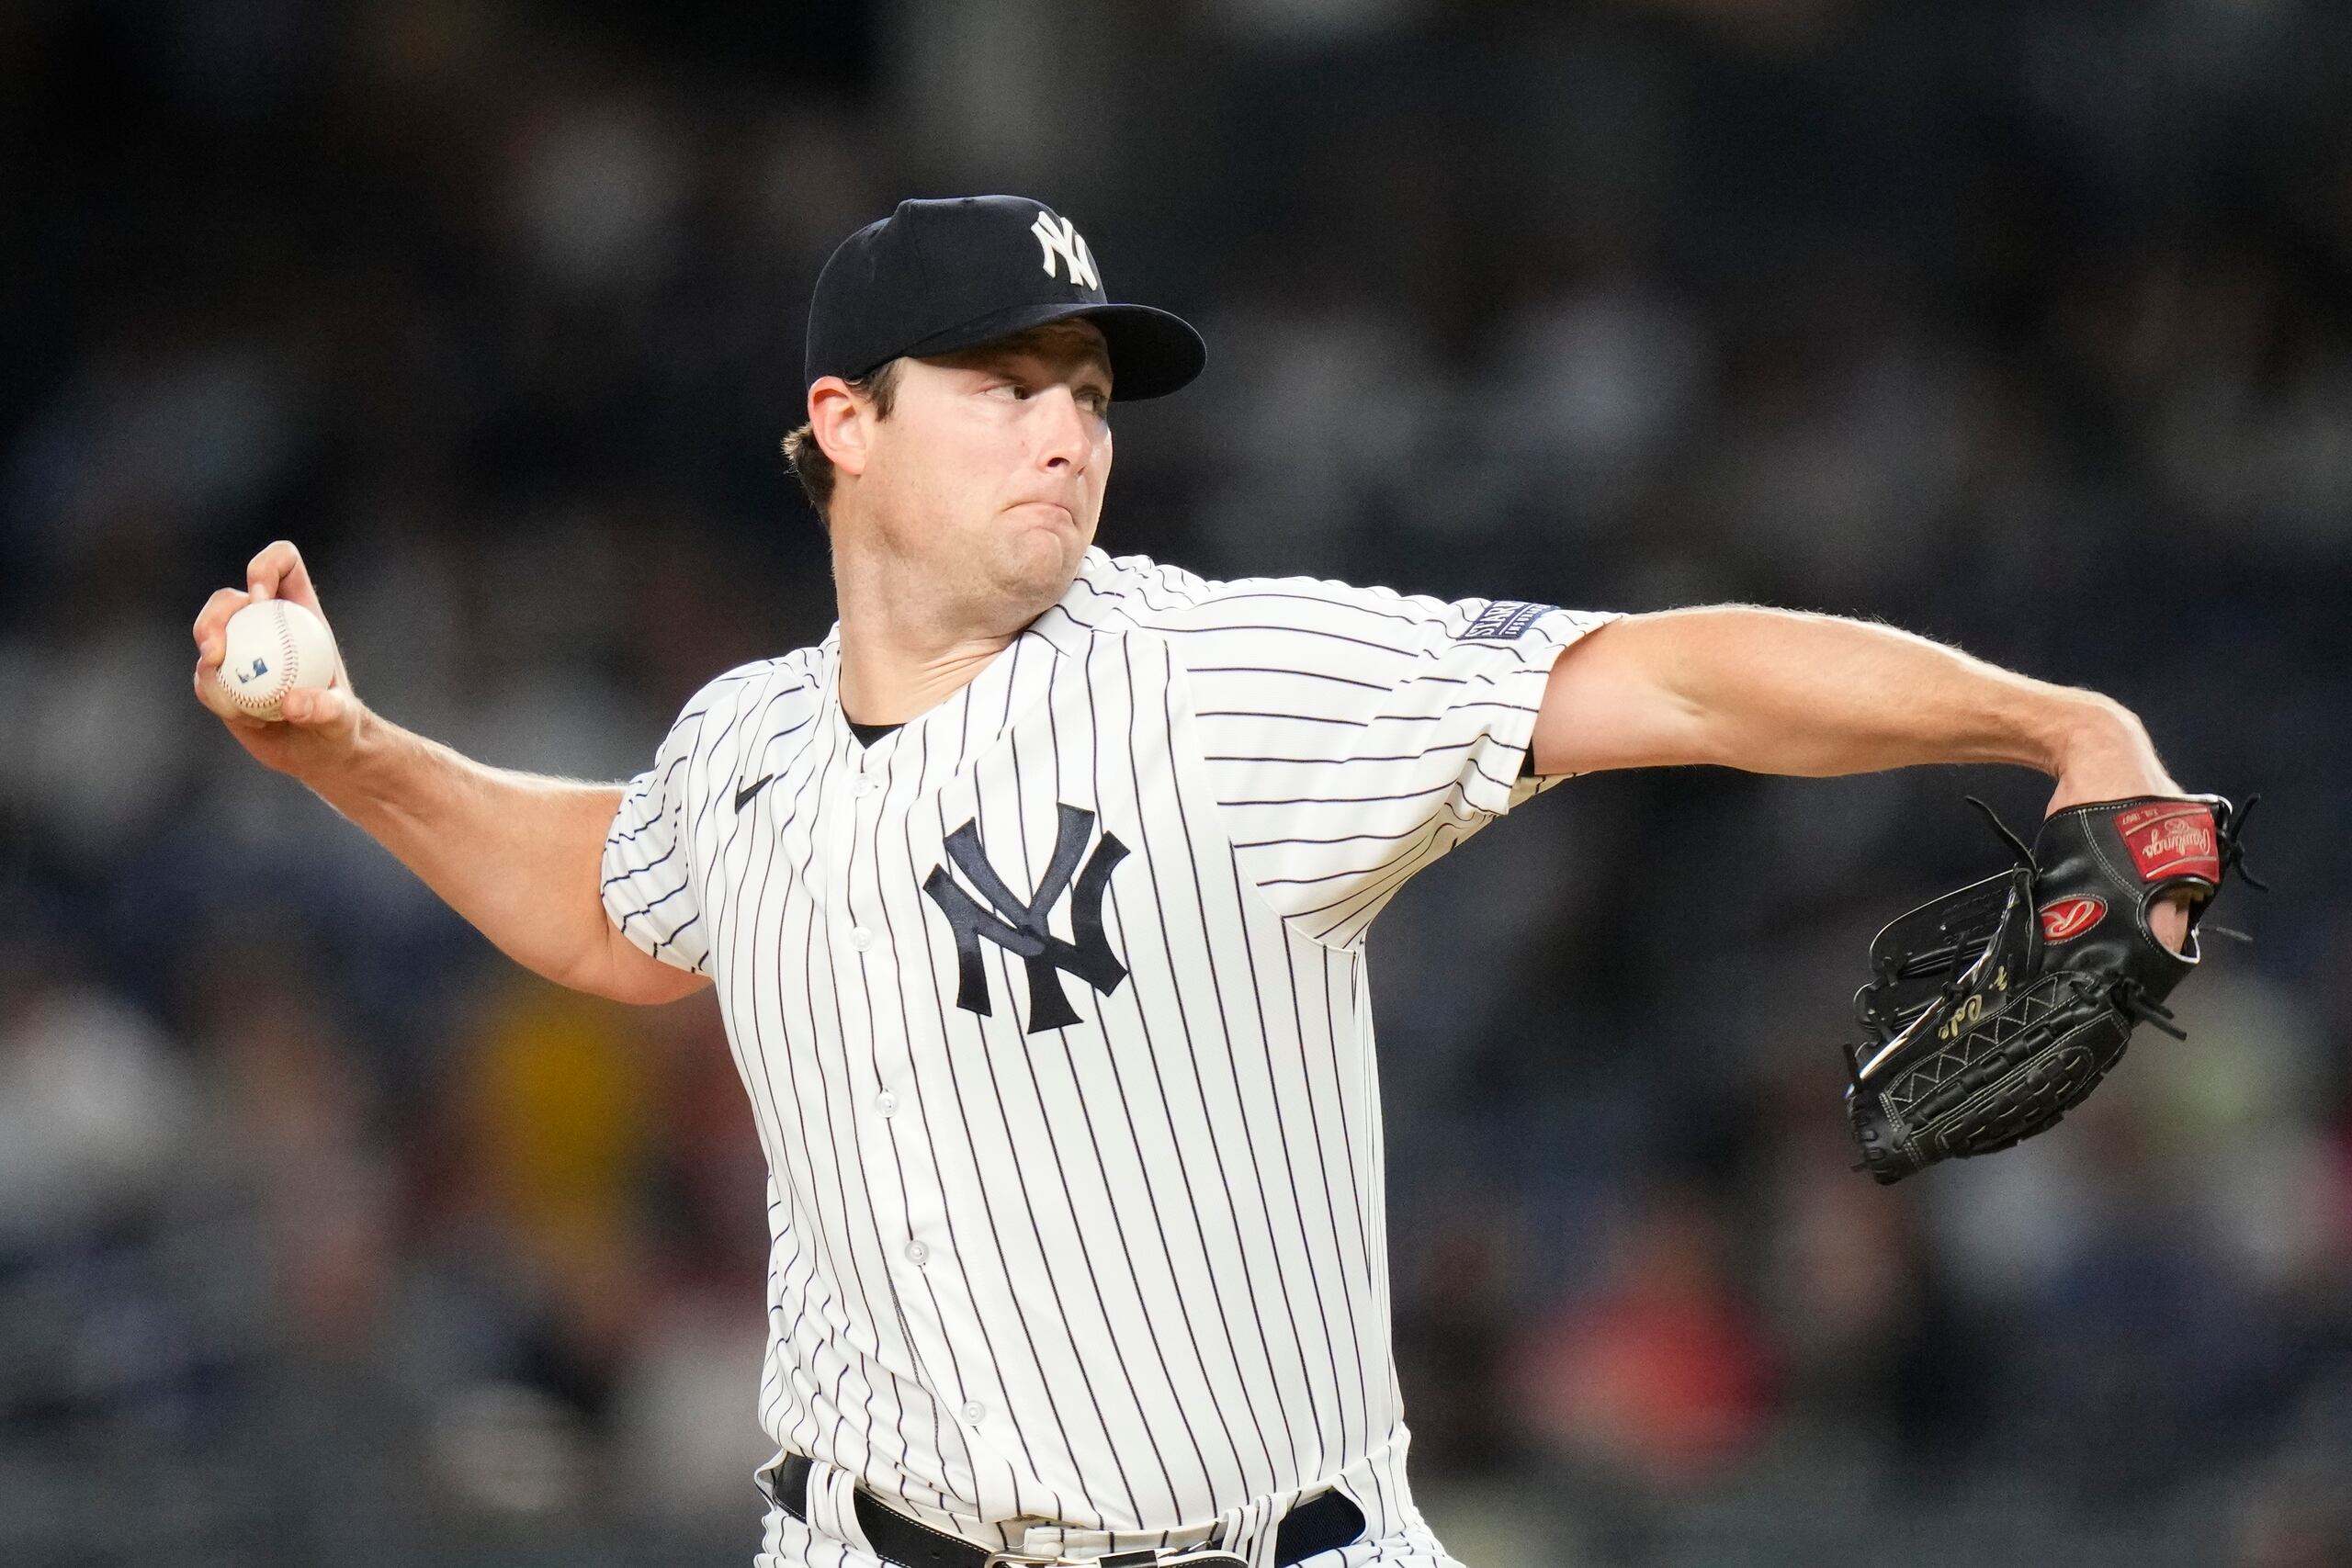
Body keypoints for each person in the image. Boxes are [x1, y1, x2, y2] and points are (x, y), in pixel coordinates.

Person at [191, 196, 2192, 1568]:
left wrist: (2053, 725)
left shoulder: (1219, 683)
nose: (1065, 428)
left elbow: (1651, 667)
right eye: (999, 383)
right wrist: (349, 753)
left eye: (1085, 389)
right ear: (842, 426)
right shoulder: (748, 744)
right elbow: (609, 911)